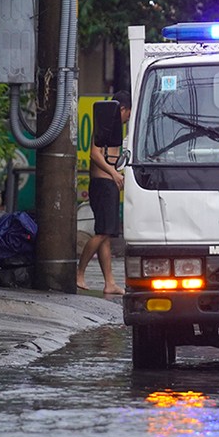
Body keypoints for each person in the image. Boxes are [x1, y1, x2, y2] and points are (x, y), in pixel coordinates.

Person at [78, 93, 128, 294]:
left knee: (106, 235)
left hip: (109, 184)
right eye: (128, 113)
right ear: (122, 109)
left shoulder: (116, 128)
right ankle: (79, 273)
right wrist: (114, 173)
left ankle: (109, 282)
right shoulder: (106, 125)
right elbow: (94, 153)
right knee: (102, 233)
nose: (128, 118)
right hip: (103, 184)